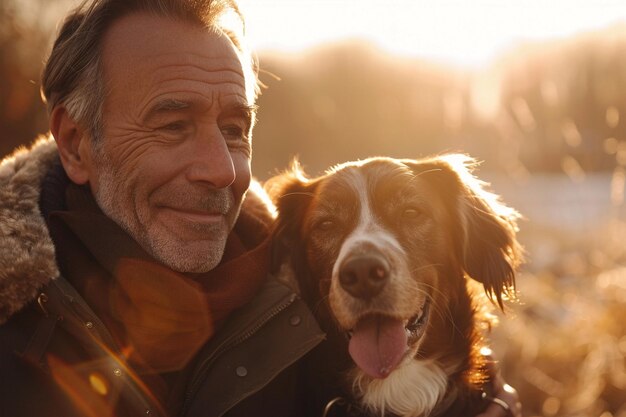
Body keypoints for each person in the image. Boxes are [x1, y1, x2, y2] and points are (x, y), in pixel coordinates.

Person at [0, 0, 521, 416]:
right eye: (173, 125)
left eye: (233, 129)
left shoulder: (284, 292)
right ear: (75, 142)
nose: (221, 169)